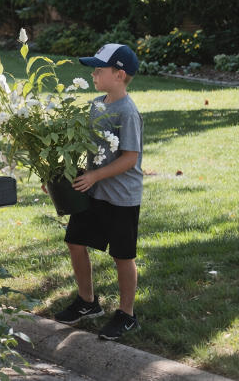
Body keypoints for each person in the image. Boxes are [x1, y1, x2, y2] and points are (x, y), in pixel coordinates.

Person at [54, 43, 144, 341]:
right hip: (93, 193)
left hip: (121, 198)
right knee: (75, 242)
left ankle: (127, 315)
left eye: (99, 69)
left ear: (119, 75)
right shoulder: (96, 104)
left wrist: (95, 176)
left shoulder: (127, 112)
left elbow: (130, 158)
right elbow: (86, 147)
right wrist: (63, 174)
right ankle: (88, 302)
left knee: (122, 256)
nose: (93, 74)